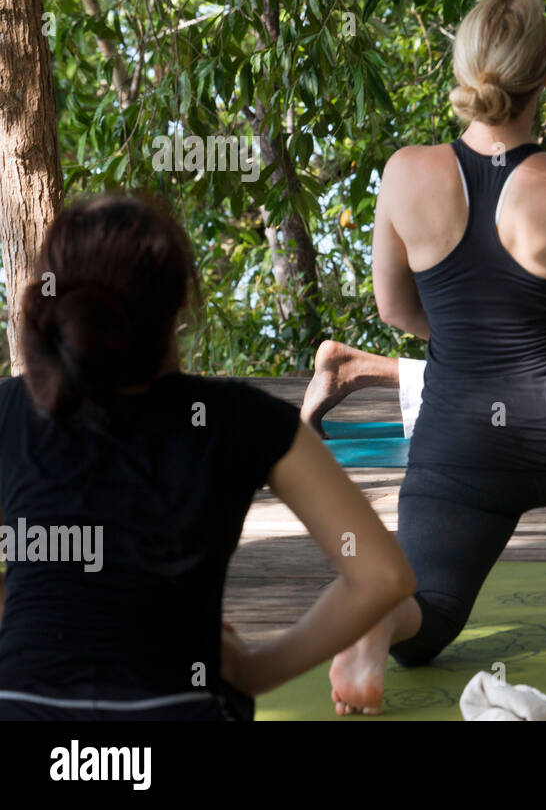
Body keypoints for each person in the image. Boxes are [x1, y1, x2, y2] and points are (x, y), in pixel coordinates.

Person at [326, 0, 546, 715]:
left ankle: (383, 616)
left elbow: (395, 310)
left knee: (431, 615)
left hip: (456, 447)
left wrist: (460, 331)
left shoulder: (404, 172)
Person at [0, 195, 415, 720]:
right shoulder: (240, 418)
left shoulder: (10, 411)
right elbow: (383, 576)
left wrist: (32, 619)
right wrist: (257, 669)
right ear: (177, 308)